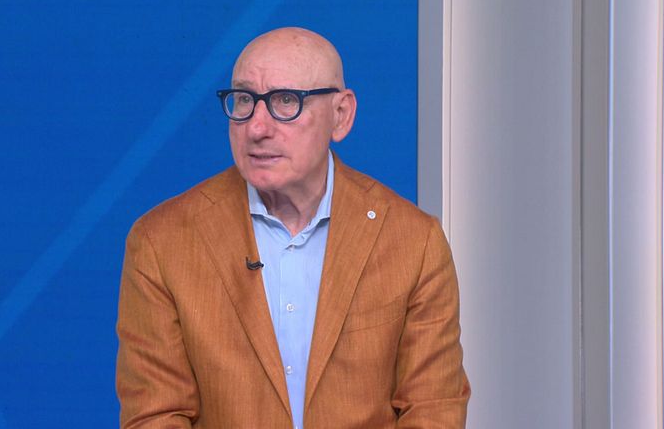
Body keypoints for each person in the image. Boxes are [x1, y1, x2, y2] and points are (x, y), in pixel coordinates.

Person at [116, 27, 470, 428]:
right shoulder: (162, 242)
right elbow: (156, 415)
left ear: (341, 115)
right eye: (245, 100)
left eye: (286, 101)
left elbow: (434, 408)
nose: (256, 128)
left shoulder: (413, 241)